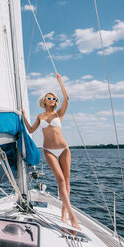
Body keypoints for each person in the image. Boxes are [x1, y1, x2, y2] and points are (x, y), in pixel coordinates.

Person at [22, 72, 80, 229]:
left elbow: (67, 99)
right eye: (50, 98)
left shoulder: (58, 113)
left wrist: (60, 81)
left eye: (54, 98)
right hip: (48, 150)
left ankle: (64, 215)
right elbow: (30, 130)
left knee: (66, 182)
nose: (53, 100)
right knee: (60, 181)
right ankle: (72, 217)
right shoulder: (40, 116)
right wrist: (24, 116)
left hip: (64, 149)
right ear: (44, 101)